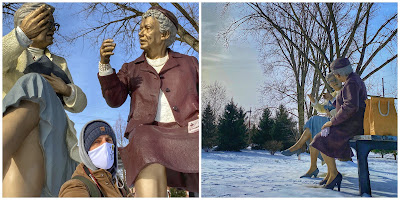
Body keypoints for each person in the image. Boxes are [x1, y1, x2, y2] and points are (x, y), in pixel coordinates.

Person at [97, 6, 199, 197]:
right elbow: (114, 99)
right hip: (149, 132)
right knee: (143, 138)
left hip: (188, 129)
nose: (140, 33)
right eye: (140, 28)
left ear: (164, 34)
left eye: (147, 28)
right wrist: (105, 65)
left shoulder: (190, 62)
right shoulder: (131, 68)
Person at [2, 3, 87, 197]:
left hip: (55, 136)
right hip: (23, 135)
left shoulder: (59, 63)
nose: (52, 30)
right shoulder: (10, 55)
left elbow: (81, 104)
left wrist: (66, 90)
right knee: (29, 135)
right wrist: (20, 35)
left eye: (53, 26)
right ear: (29, 24)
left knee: (34, 82)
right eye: (47, 24)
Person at [310, 57, 367, 191]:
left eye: (335, 76)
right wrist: (334, 101)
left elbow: (350, 107)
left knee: (320, 138)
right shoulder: (353, 80)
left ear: (339, 74)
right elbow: (345, 103)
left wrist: (332, 122)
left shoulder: (351, 82)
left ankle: (334, 174)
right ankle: (331, 174)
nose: (336, 78)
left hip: (353, 125)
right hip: (351, 123)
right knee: (322, 136)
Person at [282, 73, 342, 180]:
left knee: (314, 120)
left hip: (339, 125)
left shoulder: (345, 92)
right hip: (329, 123)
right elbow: (322, 109)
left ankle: (298, 147)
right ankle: (312, 166)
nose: (334, 82)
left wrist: (332, 101)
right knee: (312, 132)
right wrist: (314, 101)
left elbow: (345, 110)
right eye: (331, 81)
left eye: (335, 79)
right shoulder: (333, 93)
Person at [59, 120, 131, 197]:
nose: (105, 145)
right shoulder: (76, 186)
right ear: (86, 151)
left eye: (108, 140)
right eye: (97, 141)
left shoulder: (118, 183)